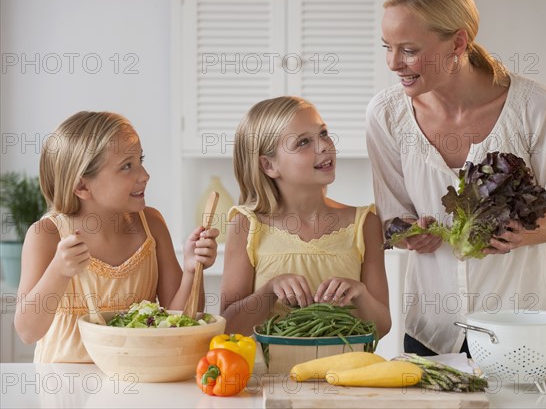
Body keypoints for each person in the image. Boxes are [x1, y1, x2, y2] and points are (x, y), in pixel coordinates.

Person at [366, 0, 546, 356]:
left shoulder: (534, 106)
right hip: (433, 330)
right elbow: (391, 217)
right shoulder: (386, 115)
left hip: (526, 326)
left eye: (409, 50)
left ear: (459, 42)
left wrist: (523, 234)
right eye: (387, 47)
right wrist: (408, 232)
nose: (393, 63)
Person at [14, 111, 219, 362]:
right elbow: (27, 331)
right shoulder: (47, 235)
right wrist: (58, 271)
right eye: (126, 166)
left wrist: (191, 270)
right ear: (82, 186)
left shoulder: (151, 226)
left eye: (140, 160)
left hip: (139, 380)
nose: (144, 175)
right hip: (65, 389)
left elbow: (182, 322)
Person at [220, 96, 391, 337]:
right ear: (269, 165)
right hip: (269, 375)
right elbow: (228, 326)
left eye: (323, 133)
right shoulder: (246, 225)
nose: (323, 146)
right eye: (303, 142)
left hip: (345, 373)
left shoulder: (365, 224)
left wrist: (360, 294)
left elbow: (382, 327)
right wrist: (269, 291)